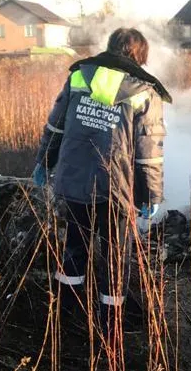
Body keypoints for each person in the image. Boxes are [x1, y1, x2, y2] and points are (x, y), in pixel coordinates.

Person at [32, 27, 170, 340]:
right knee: (115, 256)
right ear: (139, 55)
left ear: (110, 48)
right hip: (115, 189)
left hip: (73, 183)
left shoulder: (80, 77)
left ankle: (66, 317)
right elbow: (149, 150)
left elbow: (55, 125)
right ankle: (111, 328)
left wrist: (44, 161)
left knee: (74, 248)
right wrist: (151, 193)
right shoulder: (144, 91)